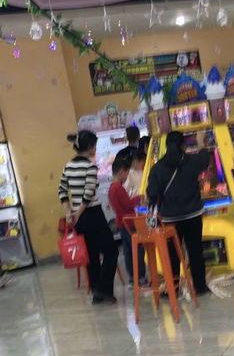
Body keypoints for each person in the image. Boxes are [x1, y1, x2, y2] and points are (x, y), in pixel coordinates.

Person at [147, 131, 210, 295]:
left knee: (172, 254)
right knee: (195, 251)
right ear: (183, 145)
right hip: (193, 215)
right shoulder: (192, 161)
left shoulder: (157, 168)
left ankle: (173, 289)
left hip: (169, 219)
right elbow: (205, 159)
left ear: (166, 146)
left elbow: (152, 194)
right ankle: (200, 287)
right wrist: (201, 143)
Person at [58, 130, 118, 304]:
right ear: (91, 147)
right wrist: (78, 212)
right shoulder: (90, 167)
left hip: (79, 219)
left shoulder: (68, 166)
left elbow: (62, 190)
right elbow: (89, 193)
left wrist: (69, 212)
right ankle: (104, 289)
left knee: (91, 255)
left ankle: (96, 292)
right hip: (92, 214)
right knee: (111, 251)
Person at [108, 157, 146, 287]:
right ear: (120, 172)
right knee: (138, 250)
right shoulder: (118, 188)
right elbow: (128, 205)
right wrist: (139, 198)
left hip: (121, 222)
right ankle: (140, 277)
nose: (126, 177)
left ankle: (132, 278)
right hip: (129, 222)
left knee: (128, 251)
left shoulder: (112, 188)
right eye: (126, 173)